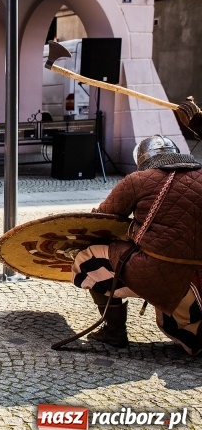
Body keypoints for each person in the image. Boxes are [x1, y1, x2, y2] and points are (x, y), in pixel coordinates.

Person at [71, 135, 202, 353]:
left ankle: (114, 331)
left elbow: (101, 219)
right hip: (197, 275)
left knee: (86, 258)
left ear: (143, 160)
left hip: (163, 272)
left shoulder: (138, 180)